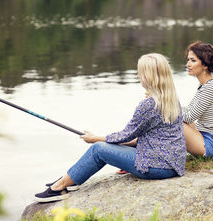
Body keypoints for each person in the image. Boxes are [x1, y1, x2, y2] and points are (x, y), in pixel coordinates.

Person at [35, 53, 187, 202]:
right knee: (107, 145)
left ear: (148, 76)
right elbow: (137, 138)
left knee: (98, 149)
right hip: (172, 164)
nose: (137, 76)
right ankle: (72, 179)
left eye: (139, 72)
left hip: (157, 167)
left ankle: (60, 187)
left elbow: (126, 135)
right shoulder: (171, 99)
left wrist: (95, 138)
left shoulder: (148, 105)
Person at [183, 41, 213, 158]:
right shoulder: (205, 86)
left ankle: (136, 143)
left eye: (193, 60)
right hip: (208, 137)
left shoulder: (210, 88)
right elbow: (188, 110)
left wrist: (166, 108)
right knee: (170, 118)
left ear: (205, 65)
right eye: (188, 60)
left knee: (173, 122)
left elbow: (189, 117)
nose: (188, 64)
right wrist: (167, 104)